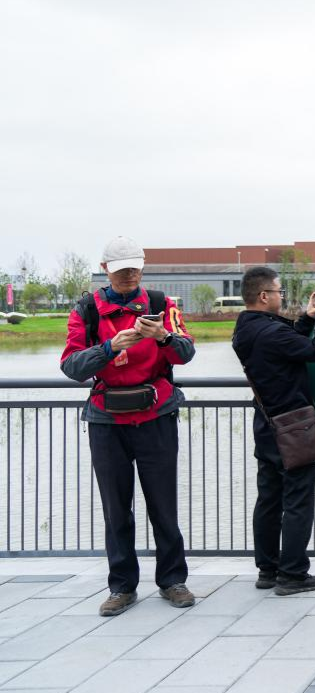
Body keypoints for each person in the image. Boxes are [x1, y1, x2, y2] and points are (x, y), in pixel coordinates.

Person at [60, 236, 196, 616]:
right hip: (107, 421)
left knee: (163, 505)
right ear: (105, 269)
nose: (129, 275)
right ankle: (121, 586)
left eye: (134, 268)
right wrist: (110, 348)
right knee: (115, 509)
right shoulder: (87, 310)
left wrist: (163, 336)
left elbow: (186, 353)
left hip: (157, 415)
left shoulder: (162, 305)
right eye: (121, 270)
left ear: (143, 265)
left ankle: (173, 580)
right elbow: (71, 366)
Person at [232, 266, 315, 595]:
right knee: (297, 500)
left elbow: (289, 343)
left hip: (266, 424)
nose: (282, 296)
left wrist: (307, 318)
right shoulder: (271, 333)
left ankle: (268, 569)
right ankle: (292, 574)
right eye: (280, 291)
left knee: (269, 499)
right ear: (264, 296)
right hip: (293, 424)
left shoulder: (247, 328)